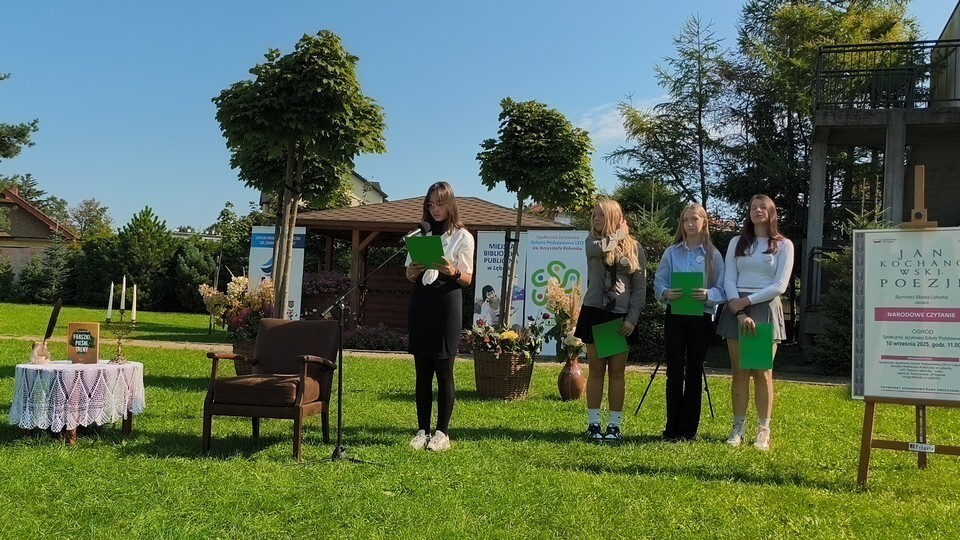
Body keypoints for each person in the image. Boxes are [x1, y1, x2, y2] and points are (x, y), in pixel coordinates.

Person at [716, 194, 794, 451]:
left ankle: (763, 431)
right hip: (736, 309)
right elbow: (729, 279)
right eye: (753, 207)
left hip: (764, 307)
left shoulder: (784, 245)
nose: (757, 210)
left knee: (762, 372)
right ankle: (737, 428)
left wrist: (747, 301)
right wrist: (739, 309)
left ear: (772, 213)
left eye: (763, 207)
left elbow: (780, 285)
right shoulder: (736, 242)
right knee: (739, 372)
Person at [405, 182, 475, 452]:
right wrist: (413, 269)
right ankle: (422, 430)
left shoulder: (462, 236)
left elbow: (467, 278)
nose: (435, 209)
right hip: (421, 303)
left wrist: (451, 270)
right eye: (430, 204)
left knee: (444, 370)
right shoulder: (419, 234)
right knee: (422, 370)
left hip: (446, 303)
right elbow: (409, 275)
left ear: (450, 204)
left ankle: (442, 433)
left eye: (440, 204)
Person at [573, 198, 646, 442]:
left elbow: (639, 288)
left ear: (614, 217)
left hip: (620, 318)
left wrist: (632, 319)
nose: (596, 218)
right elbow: (603, 248)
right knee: (596, 370)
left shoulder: (634, 248)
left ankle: (614, 426)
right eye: (594, 214)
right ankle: (594, 424)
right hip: (595, 312)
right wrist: (619, 234)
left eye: (601, 215)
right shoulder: (592, 242)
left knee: (616, 373)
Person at [653, 203, 725, 441]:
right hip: (675, 315)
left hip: (700, 318)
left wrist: (708, 294)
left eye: (694, 219)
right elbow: (659, 282)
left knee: (694, 371)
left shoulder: (713, 255)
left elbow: (722, 289)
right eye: (685, 220)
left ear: (704, 222)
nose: (689, 224)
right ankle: (671, 428)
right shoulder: (671, 252)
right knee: (674, 371)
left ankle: (687, 430)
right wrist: (665, 292)